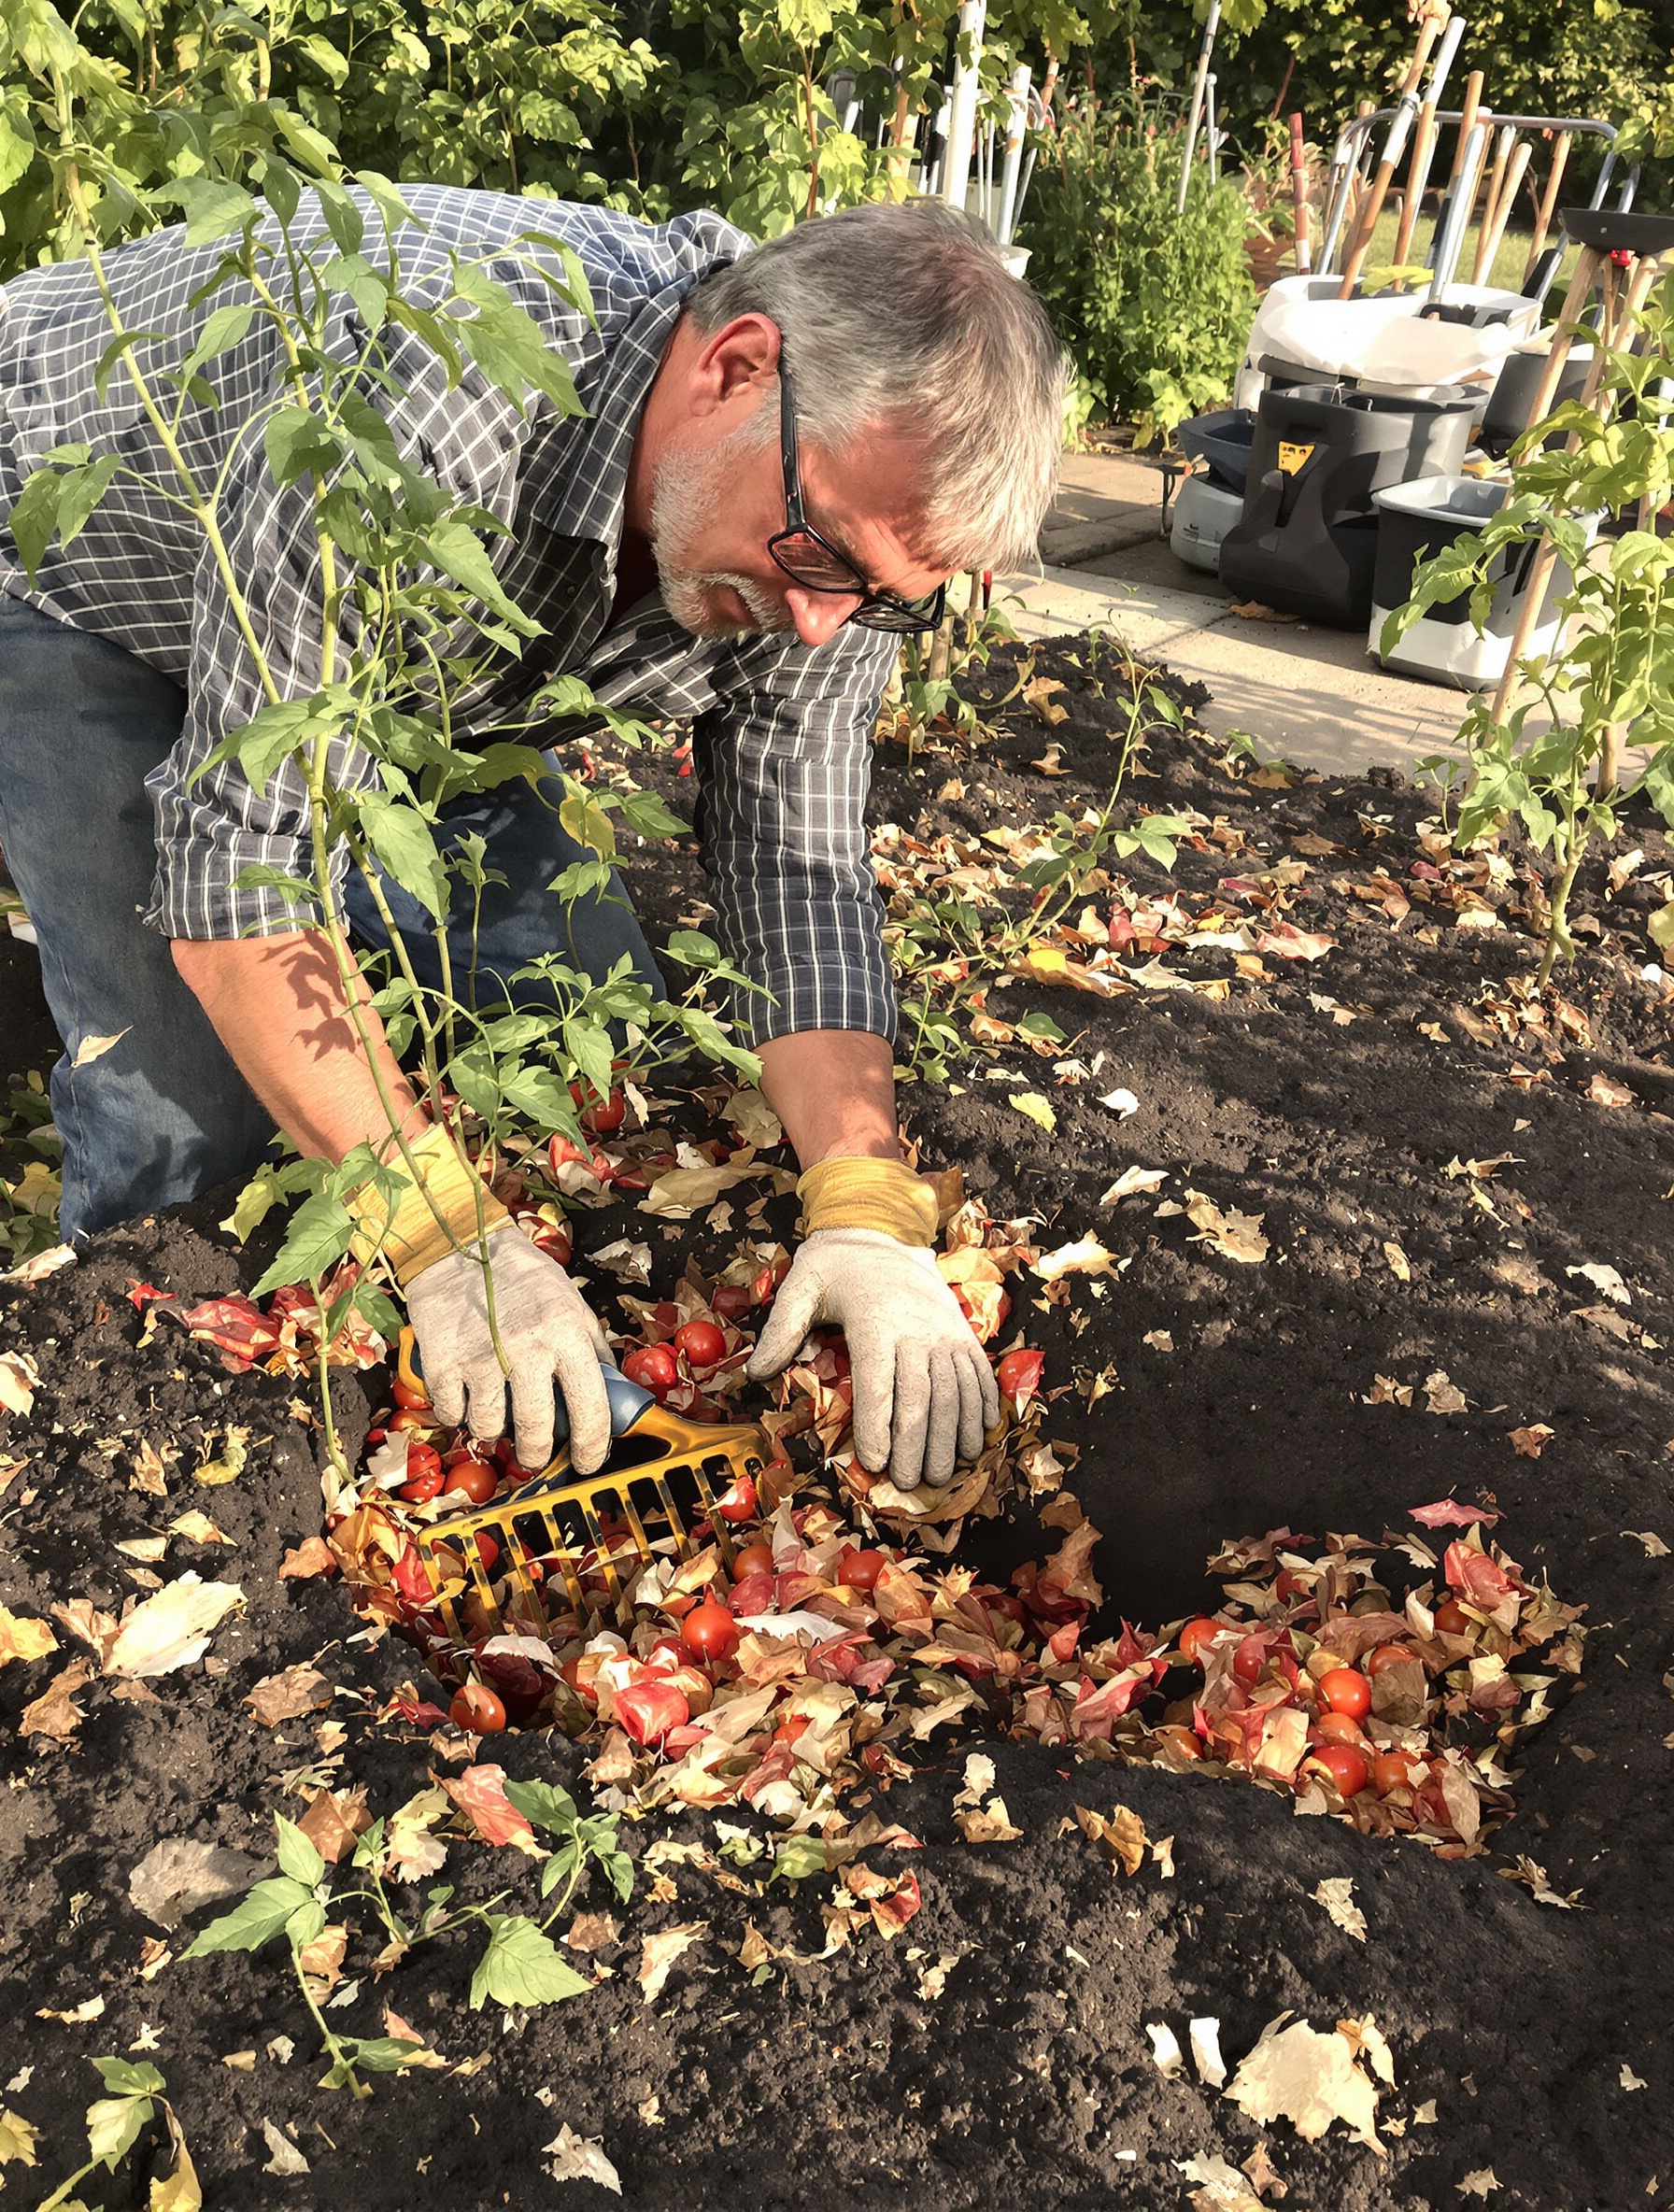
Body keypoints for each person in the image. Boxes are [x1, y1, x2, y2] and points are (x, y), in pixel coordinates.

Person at [0, 188, 1065, 1490]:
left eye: (879, 602)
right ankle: (152, 1453)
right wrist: (440, 1231)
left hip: (401, 667)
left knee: (591, 1031)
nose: (818, 627)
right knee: (194, 1141)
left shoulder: (821, 546)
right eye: (820, 558)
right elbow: (242, 872)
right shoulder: (425, 395)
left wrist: (867, 1203)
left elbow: (795, 864)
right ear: (737, 366)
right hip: (78, 554)